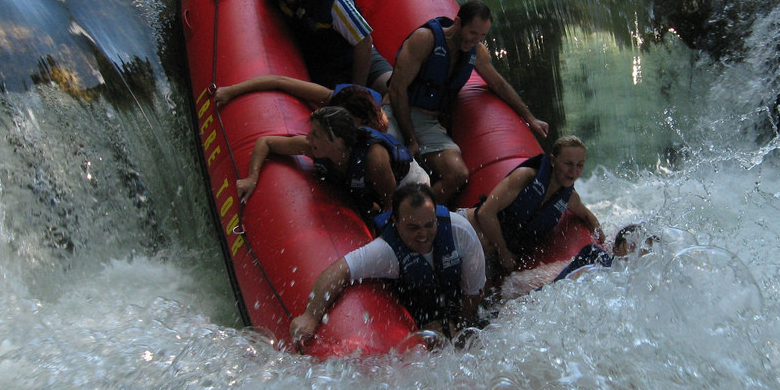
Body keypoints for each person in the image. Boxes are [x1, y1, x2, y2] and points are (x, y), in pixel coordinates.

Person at [386, 0, 549, 205]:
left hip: (428, 122)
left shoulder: (477, 51)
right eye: (473, 33)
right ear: (457, 23)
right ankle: (381, 211)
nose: (476, 40)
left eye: (482, 35)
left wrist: (530, 118)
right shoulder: (425, 39)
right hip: (398, 109)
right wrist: (410, 139)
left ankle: (414, 214)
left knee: (458, 174)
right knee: (384, 161)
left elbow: (498, 85)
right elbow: (397, 90)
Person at [290, 183, 486, 344]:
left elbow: (474, 292)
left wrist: (459, 327)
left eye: (429, 224)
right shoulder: (386, 251)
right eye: (413, 227)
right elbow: (340, 270)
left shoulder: (460, 232)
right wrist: (311, 316)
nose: (424, 235)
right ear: (396, 221)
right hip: (419, 316)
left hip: (459, 308)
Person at [209, 0, 392, 94]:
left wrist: (356, 89)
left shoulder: (336, 3)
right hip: (322, 62)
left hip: (350, 53)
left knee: (389, 85)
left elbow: (364, 41)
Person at [237, 106, 427, 218]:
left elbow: (390, 206)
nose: (308, 138)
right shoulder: (314, 147)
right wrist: (252, 177)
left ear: (338, 141)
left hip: (408, 185)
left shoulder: (374, 159)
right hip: (369, 187)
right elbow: (266, 142)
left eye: (316, 134)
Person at [464, 135, 604, 273]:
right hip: (467, 232)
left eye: (580, 165)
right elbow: (485, 213)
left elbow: (586, 216)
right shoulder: (525, 177)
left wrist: (604, 244)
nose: (574, 171)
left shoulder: (569, 198)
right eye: (568, 164)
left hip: (488, 257)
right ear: (553, 160)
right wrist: (503, 252)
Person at [214, 75, 389, 132]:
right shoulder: (332, 98)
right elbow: (278, 81)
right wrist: (232, 90)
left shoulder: (376, 131)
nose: (338, 117)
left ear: (361, 121)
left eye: (344, 116)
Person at [550, 223, 660, 282]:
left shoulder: (651, 281)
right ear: (615, 251)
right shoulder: (593, 273)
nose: (637, 252)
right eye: (631, 246)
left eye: (644, 249)